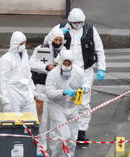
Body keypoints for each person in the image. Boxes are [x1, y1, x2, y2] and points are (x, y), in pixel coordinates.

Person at [63, 7, 106, 141]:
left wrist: (101, 68)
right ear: (70, 21)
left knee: (82, 103)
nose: (78, 25)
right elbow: (49, 43)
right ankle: (68, 129)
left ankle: (81, 131)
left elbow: (99, 50)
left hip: (85, 72)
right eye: (75, 23)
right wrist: (58, 34)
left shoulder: (90, 30)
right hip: (68, 73)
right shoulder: (62, 29)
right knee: (68, 102)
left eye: (80, 22)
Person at [46, 50, 89, 157]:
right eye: (64, 63)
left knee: (72, 137)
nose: (66, 65)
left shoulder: (78, 72)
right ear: (60, 62)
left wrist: (83, 89)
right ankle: (56, 155)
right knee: (63, 135)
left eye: (69, 63)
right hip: (57, 107)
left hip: (73, 107)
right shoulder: (53, 74)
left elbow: (87, 84)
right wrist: (64, 92)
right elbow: (49, 93)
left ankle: (69, 155)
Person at [29, 26, 66, 150]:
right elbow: (32, 64)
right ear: (51, 39)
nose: (58, 43)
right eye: (56, 40)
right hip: (41, 88)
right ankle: (41, 147)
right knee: (41, 120)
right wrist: (46, 68)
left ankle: (56, 148)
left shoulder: (64, 51)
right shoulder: (41, 49)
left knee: (57, 120)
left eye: (60, 40)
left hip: (56, 90)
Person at [0, 31, 37, 117]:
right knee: (14, 124)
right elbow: (3, 81)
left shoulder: (25, 55)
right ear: (15, 43)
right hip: (13, 95)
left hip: (27, 94)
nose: (23, 46)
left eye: (24, 43)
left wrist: (33, 90)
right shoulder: (6, 59)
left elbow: (28, 74)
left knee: (32, 121)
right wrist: (5, 100)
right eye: (21, 43)